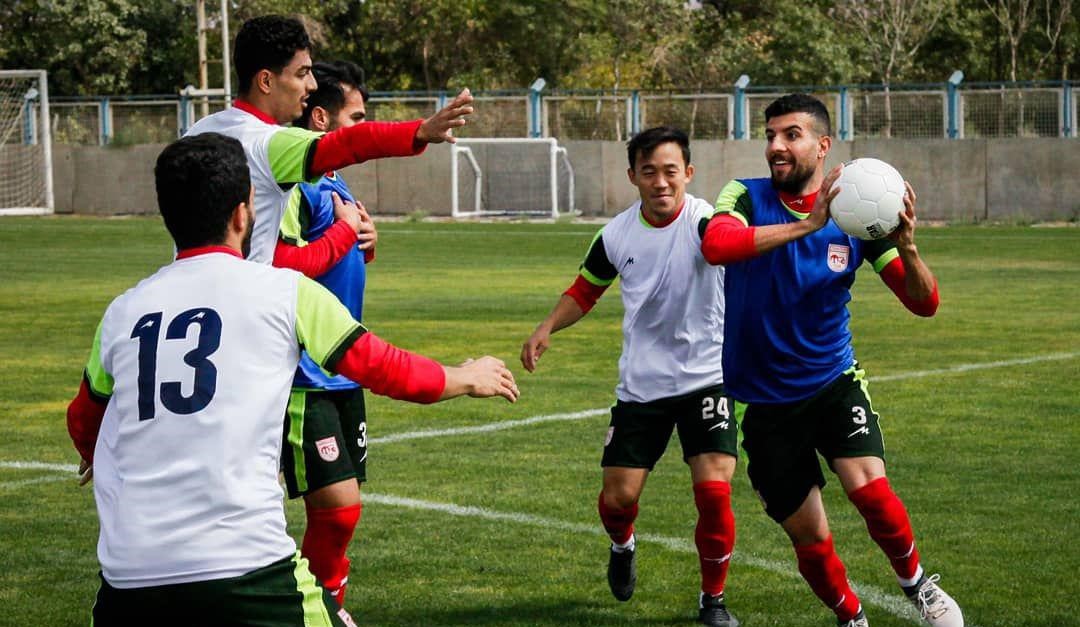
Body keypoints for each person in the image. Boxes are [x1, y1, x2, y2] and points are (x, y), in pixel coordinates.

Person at [65, 133, 519, 626]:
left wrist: (92, 450)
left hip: (128, 581)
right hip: (245, 569)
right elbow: (382, 368)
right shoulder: (284, 292)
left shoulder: (123, 311)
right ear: (243, 213)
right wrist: (465, 376)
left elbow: (85, 415)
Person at [700, 93, 962, 627]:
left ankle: (919, 588)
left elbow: (924, 303)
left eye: (790, 135)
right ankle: (852, 618)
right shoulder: (745, 195)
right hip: (764, 403)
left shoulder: (854, 215)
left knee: (870, 488)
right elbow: (716, 245)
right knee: (811, 535)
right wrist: (805, 225)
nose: (776, 146)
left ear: (822, 146)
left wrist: (908, 248)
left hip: (832, 381)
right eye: (771, 135)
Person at [521, 127, 740, 627]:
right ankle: (623, 544)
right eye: (649, 172)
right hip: (642, 386)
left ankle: (714, 601)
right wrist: (546, 327)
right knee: (619, 498)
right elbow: (584, 290)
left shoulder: (710, 223)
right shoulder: (616, 234)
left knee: (713, 490)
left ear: (688, 172)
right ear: (632, 177)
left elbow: (747, 255)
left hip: (707, 378)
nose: (661, 182)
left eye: (670, 171)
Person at [184, 14, 473, 266]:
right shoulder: (271, 143)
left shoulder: (196, 132)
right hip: (248, 310)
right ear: (266, 81)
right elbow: (351, 143)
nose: (311, 85)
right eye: (302, 74)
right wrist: (420, 130)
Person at [273, 60, 377, 607]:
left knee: (344, 511)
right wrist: (343, 231)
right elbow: (280, 266)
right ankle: (318, 606)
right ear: (321, 119)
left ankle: (329, 599)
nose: (362, 128)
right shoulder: (299, 184)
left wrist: (364, 238)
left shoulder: (336, 180)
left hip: (343, 368)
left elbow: (339, 257)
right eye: (355, 118)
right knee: (338, 506)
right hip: (305, 370)